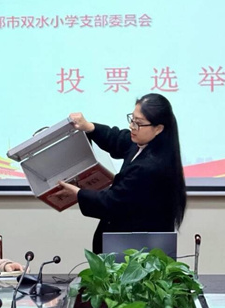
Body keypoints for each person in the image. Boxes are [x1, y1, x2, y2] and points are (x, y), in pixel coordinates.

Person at [57, 93, 187, 254]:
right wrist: (89, 127)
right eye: (132, 119)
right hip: (125, 244)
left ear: (158, 128)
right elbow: (117, 139)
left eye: (139, 123)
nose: (132, 126)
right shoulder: (143, 144)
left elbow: (112, 203)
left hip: (135, 251)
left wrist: (78, 193)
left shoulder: (151, 166)